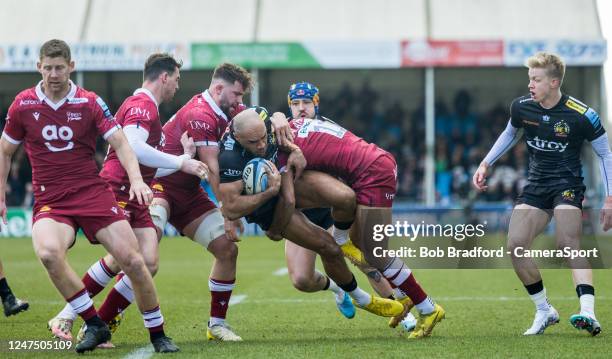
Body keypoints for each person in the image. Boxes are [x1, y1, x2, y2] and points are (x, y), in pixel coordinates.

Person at [0, 39, 178, 353]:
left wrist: (137, 180)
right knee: (48, 254)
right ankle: (95, 324)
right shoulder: (23, 104)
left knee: (135, 262)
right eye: (48, 67)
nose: (54, 74)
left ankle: (159, 335)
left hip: (92, 193)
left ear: (71, 67)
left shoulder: (89, 101)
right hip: (50, 200)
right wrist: (1, 194)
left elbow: (122, 143)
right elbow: (5, 151)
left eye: (60, 67)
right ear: (38, 67)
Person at [47, 53, 206, 347]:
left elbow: (147, 162)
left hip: (136, 190)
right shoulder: (142, 105)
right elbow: (132, 148)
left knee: (147, 262)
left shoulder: (146, 108)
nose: (177, 87)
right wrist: (181, 163)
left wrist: (182, 159)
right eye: (177, 80)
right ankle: (70, 317)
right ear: (164, 77)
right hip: (119, 188)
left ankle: (88, 322)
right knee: (126, 259)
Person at [274, 105, 444, 339]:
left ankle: (428, 308)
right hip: (369, 169)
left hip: (372, 173)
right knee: (361, 246)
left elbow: (291, 193)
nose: (300, 107)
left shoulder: (280, 149)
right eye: (295, 102)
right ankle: (405, 298)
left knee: (375, 252)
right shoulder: (293, 126)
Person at [218, 107, 404, 321]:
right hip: (264, 206)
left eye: (263, 138)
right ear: (237, 136)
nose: (261, 145)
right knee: (327, 251)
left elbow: (276, 116)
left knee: (346, 197)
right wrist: (270, 194)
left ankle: (345, 242)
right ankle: (360, 298)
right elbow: (231, 208)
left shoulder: (264, 120)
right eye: (253, 142)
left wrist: (288, 138)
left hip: (287, 179)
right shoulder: (229, 159)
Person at [473, 51, 610, 336]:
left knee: (567, 242)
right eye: (530, 79)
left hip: (567, 185)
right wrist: (486, 162)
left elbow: (605, 155)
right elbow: (510, 134)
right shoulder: (522, 107)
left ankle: (587, 312)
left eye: (536, 79)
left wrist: (610, 198)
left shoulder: (583, 115)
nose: (530, 85)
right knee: (515, 246)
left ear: (554, 82)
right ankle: (545, 310)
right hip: (536, 187)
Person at [283, 82, 417, 329]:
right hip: (302, 213)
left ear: (316, 103)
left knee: (368, 260)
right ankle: (339, 290)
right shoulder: (283, 132)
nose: (301, 108)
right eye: (295, 104)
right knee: (301, 279)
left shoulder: (330, 129)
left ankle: (404, 312)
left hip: (336, 211)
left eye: (306, 103)